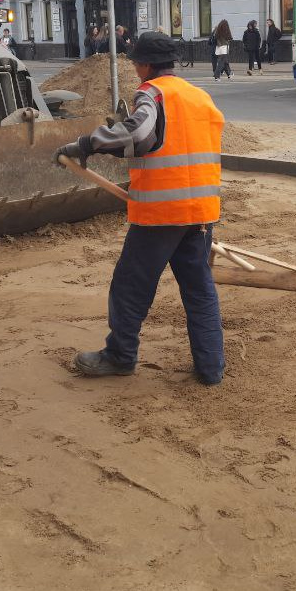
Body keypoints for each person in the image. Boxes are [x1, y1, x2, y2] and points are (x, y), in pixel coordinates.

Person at [54, 31, 226, 385]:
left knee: (130, 286)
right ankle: (211, 369)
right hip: (202, 213)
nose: (134, 69)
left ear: (145, 64)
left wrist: (87, 143)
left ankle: (120, 356)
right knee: (199, 289)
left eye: (135, 63)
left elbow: (138, 134)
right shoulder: (200, 96)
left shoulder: (152, 93)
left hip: (162, 214)